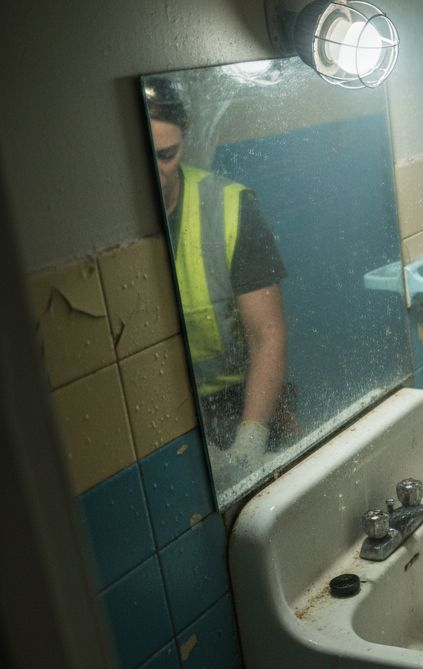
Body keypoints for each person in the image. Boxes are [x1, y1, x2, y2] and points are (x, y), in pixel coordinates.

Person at [144, 77, 291, 475]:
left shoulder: (229, 206)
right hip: (155, 422)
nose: (156, 172)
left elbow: (266, 336)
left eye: (166, 155)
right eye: (144, 157)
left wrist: (250, 440)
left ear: (184, 140)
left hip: (238, 405)